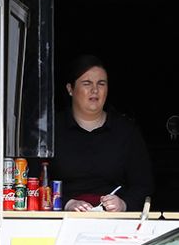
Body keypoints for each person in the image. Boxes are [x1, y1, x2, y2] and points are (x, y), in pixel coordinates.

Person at [52, 54, 153, 213]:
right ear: (70, 89)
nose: (94, 90)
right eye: (86, 83)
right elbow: (35, 182)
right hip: (60, 218)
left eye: (101, 84)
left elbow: (143, 185)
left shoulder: (126, 131)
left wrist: (123, 204)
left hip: (115, 221)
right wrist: (66, 203)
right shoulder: (51, 130)